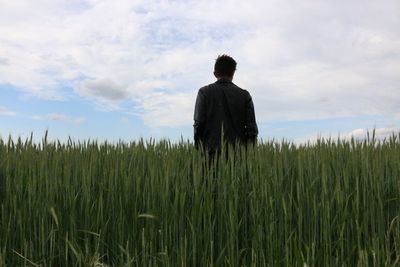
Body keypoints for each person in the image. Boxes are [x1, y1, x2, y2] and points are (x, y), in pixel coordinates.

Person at [193, 54, 258, 158]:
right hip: (238, 156)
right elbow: (252, 129)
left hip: (210, 155)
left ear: (215, 73)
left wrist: (199, 148)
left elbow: (199, 123)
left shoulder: (204, 92)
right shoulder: (245, 95)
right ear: (233, 73)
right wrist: (248, 155)